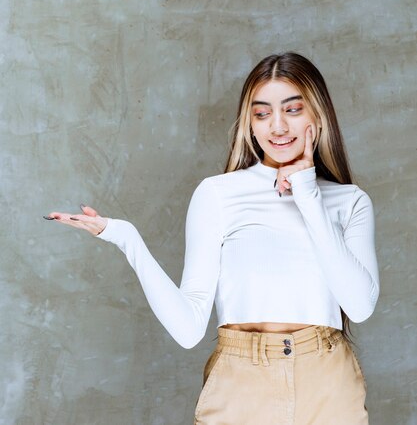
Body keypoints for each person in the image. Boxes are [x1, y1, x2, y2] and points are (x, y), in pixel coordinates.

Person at [46, 51, 380, 424]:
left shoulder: (350, 202)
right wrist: (127, 238)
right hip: (240, 384)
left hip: (329, 385)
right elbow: (189, 329)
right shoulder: (218, 194)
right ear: (250, 125)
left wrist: (307, 193)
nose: (278, 126)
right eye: (262, 113)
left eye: (293, 109)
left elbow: (360, 307)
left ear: (318, 117)